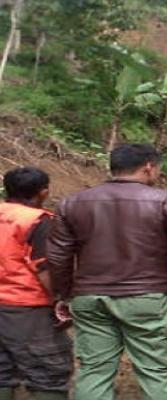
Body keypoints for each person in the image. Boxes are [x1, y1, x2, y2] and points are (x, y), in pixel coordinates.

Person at [47, 144, 167, 400]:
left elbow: (59, 255)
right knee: (158, 369)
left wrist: (62, 295)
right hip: (148, 299)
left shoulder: (71, 204)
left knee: (94, 370)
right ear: (149, 166)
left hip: (90, 298)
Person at [0, 167, 73, 400]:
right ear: (43, 192)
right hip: (26, 305)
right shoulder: (38, 221)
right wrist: (61, 299)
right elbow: (45, 268)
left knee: (2, 370)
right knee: (48, 371)